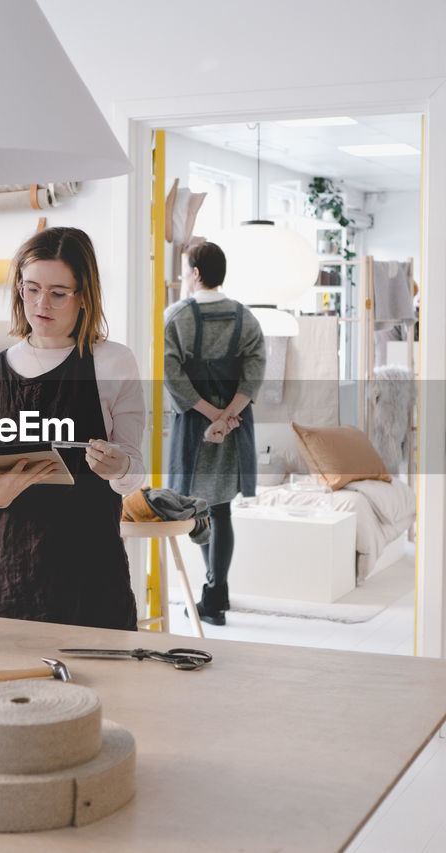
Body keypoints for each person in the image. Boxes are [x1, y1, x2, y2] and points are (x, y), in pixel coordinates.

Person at [0, 226, 146, 630]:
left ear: (83, 296)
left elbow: (134, 471)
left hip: (89, 575)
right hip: (3, 573)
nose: (41, 303)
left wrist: (118, 468)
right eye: (31, 289)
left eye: (58, 293)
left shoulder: (114, 363)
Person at [163, 241, 265, 626]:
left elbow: (170, 374)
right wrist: (227, 417)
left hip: (193, 425)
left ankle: (213, 596)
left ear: (197, 274)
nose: (184, 276)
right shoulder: (246, 318)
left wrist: (209, 416)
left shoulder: (176, 316)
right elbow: (255, 373)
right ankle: (215, 596)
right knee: (221, 510)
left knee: (197, 507)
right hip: (235, 427)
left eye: (186, 269)